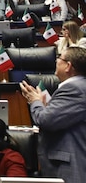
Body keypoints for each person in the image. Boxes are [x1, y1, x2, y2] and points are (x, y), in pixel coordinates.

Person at [20, 47, 86, 182]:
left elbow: (45, 120)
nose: (56, 60)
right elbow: (62, 118)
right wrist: (44, 106)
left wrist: (35, 101)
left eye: (59, 58)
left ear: (68, 66)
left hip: (69, 165)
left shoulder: (74, 89)